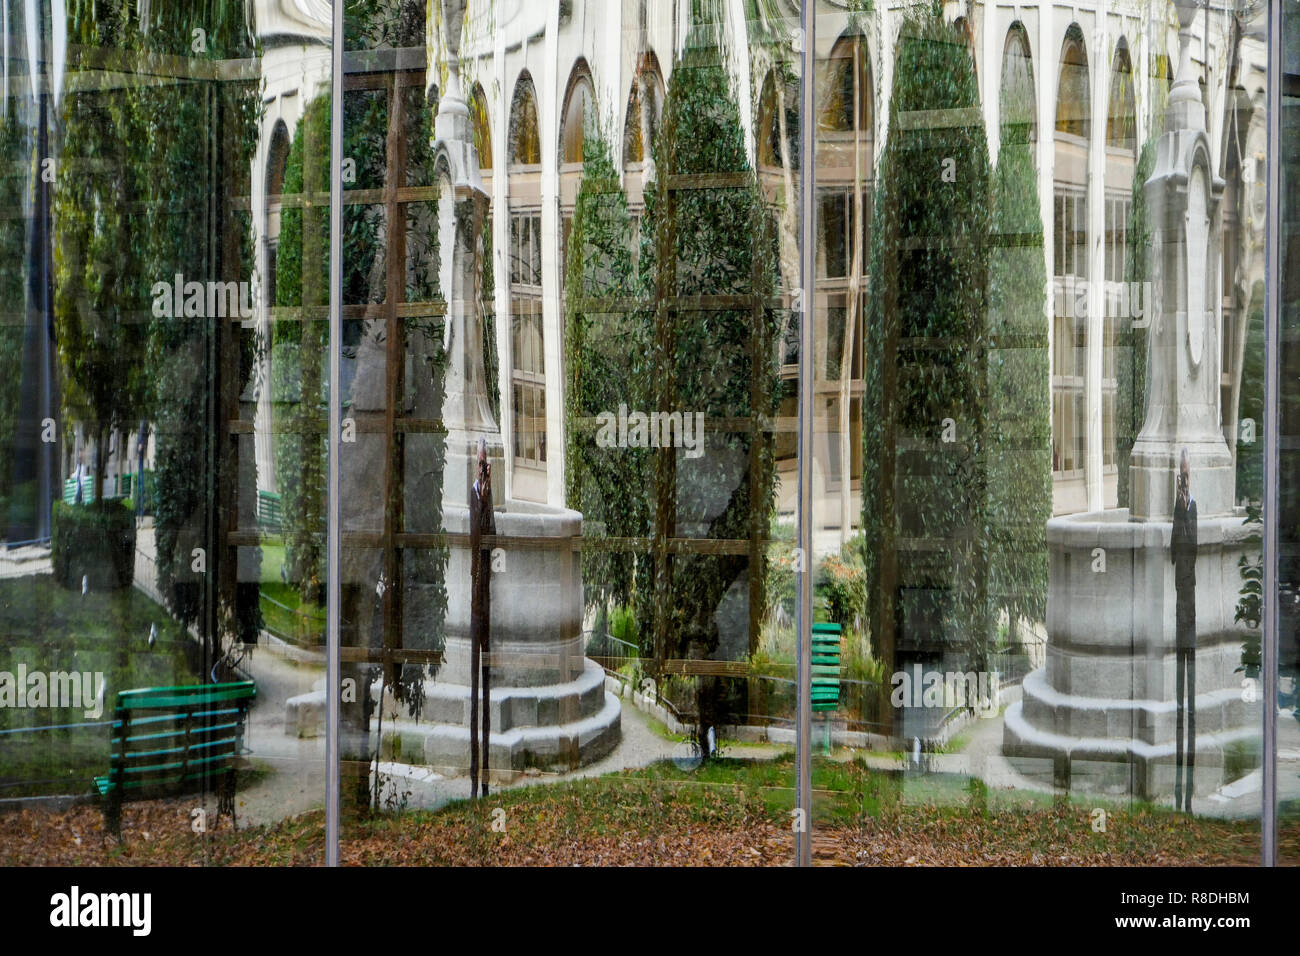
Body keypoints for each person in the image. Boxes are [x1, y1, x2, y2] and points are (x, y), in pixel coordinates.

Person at [468, 437, 496, 798]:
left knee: (486, 689)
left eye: (484, 463)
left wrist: (489, 499)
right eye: (479, 463)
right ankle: (474, 778)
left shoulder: (486, 497)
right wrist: (480, 498)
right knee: (476, 686)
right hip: (474, 602)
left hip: (486, 602)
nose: (481, 469)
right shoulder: (472, 496)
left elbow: (492, 539)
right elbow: (474, 540)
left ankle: (484, 777)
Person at [1171, 449, 1197, 812]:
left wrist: (1186, 511)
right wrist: (1180, 510)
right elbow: (1175, 546)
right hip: (1182, 585)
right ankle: (1179, 797)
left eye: (1186, 472)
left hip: (1189, 586)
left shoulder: (1192, 507)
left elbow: (1193, 543)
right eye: (1182, 473)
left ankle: (1186, 798)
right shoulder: (1180, 507)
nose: (1184, 478)